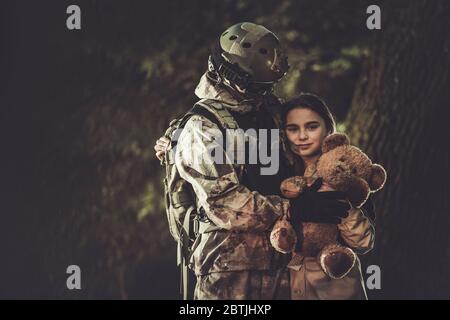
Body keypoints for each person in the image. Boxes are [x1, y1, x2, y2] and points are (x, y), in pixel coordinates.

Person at [156, 22, 352, 300]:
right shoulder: (202, 127)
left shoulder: (270, 111)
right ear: (225, 73)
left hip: (283, 259)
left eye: (268, 84)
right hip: (228, 267)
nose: (262, 91)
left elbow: (304, 158)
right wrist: (292, 209)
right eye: (255, 85)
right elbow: (223, 202)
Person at [281, 93, 375, 300]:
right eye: (293, 129)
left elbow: (364, 242)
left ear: (329, 130)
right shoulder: (280, 174)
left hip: (335, 281)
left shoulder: (347, 172)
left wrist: (342, 202)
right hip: (289, 281)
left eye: (312, 127)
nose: (302, 136)